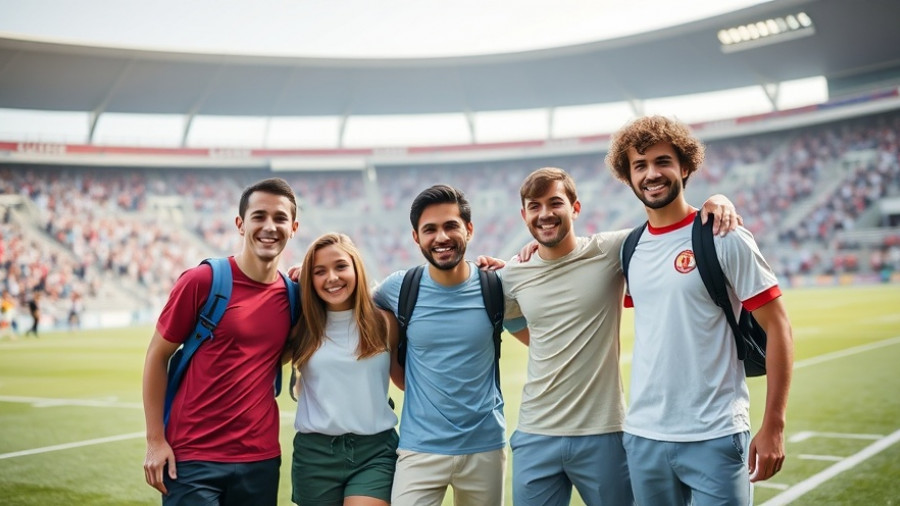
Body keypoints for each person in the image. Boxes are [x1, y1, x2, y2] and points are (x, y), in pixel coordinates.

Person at [503, 167, 740, 506]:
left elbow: (666, 228)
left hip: (604, 434)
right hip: (534, 433)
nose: (545, 214)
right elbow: (511, 320)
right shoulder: (512, 274)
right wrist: (545, 342)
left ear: (575, 207)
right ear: (524, 214)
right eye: (534, 206)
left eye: (555, 203)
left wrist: (717, 200)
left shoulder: (613, 249)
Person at [606, 115, 793, 505]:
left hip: (715, 434)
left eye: (662, 162)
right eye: (639, 165)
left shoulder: (724, 235)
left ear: (685, 166)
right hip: (643, 437)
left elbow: (779, 328)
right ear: (628, 176)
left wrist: (774, 424)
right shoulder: (630, 248)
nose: (651, 174)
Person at [142, 177, 299, 505]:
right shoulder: (203, 281)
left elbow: (272, 354)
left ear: (293, 227)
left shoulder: (294, 296)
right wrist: (155, 440)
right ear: (240, 225)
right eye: (259, 216)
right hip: (193, 459)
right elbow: (157, 357)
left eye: (280, 218)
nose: (269, 226)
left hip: (261, 460)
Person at [372, 184, 507, 506]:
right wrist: (303, 276)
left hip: (485, 446)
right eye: (429, 229)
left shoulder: (496, 285)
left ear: (469, 230)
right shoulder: (399, 287)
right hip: (420, 448)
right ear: (416, 237)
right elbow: (346, 302)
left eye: (451, 226)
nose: (441, 237)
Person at [288, 232, 400, 506]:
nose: (332, 278)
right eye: (319, 271)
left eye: (340, 266)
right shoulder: (302, 326)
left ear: (356, 268)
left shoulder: (385, 323)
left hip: (375, 451)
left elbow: (405, 380)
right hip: (315, 456)